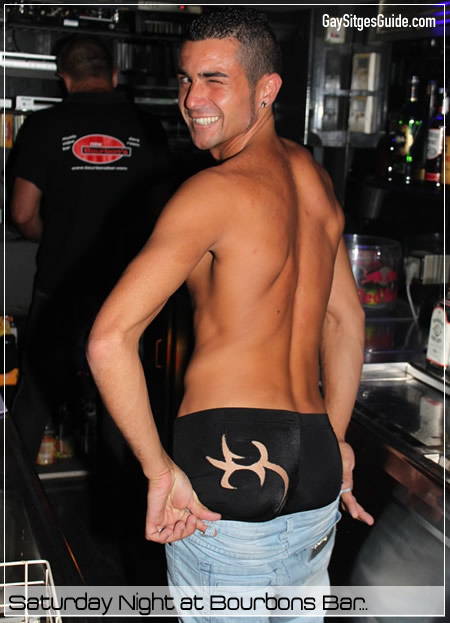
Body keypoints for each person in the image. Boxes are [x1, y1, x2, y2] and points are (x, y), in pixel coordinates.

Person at [87, 7, 374, 620]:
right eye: (186, 79)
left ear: (267, 89)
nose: (192, 100)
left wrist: (158, 472)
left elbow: (109, 341)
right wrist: (337, 438)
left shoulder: (212, 192)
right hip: (318, 467)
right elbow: (345, 322)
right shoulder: (316, 182)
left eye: (215, 80)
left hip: (227, 473)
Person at [9, 34, 173, 462]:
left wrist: (51, 235)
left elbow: (22, 212)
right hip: (128, 287)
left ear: (64, 78)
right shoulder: (147, 128)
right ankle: (124, 497)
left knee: (36, 394)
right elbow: (166, 217)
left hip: (60, 282)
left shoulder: (43, 127)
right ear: (114, 75)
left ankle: (12, 493)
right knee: (122, 395)